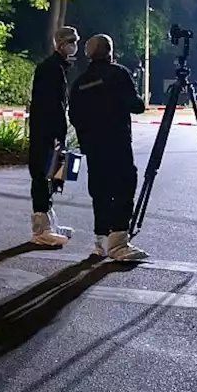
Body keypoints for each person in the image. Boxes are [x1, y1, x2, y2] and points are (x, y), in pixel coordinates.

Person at [68, 33, 148, 261]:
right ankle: (119, 242)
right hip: (118, 143)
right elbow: (137, 106)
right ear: (110, 52)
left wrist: (87, 136)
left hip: (93, 147)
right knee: (123, 187)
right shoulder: (119, 74)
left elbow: (73, 114)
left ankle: (99, 241)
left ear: (88, 54)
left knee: (100, 191)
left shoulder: (80, 82)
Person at [27, 26, 80, 247]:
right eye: (70, 41)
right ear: (60, 43)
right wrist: (59, 132)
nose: (74, 45)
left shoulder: (57, 67)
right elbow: (52, 106)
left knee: (53, 176)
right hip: (46, 131)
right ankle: (41, 229)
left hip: (48, 130)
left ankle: (50, 223)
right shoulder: (51, 69)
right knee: (42, 175)